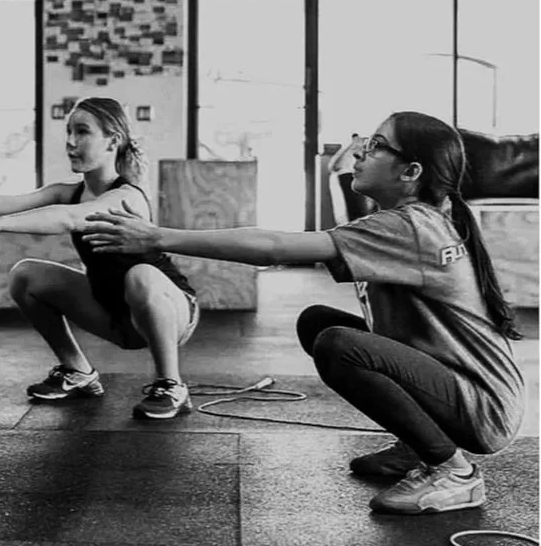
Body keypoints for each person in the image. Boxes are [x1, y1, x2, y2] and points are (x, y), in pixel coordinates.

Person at [81, 111, 524, 514]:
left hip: (481, 407)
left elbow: (273, 247)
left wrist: (157, 237)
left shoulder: (410, 226)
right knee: (318, 322)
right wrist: (363, 148)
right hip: (461, 387)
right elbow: (339, 175)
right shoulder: (417, 216)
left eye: (376, 146)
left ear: (411, 172)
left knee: (338, 345)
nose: (361, 153)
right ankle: (418, 445)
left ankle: (453, 472)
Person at [0, 97, 199, 419]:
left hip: (172, 313)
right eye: (69, 132)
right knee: (26, 275)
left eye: (82, 132)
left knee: (141, 275)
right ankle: (78, 371)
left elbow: (69, 218)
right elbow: (15, 201)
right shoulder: (68, 191)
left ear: (113, 141)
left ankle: (171, 385)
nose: (70, 142)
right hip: (116, 314)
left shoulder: (126, 196)